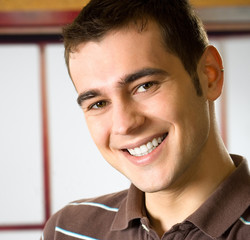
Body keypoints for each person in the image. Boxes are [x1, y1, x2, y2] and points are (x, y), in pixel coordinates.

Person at [41, 0, 250, 239]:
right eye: (98, 103)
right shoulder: (67, 230)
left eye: (145, 86)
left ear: (209, 75)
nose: (124, 124)